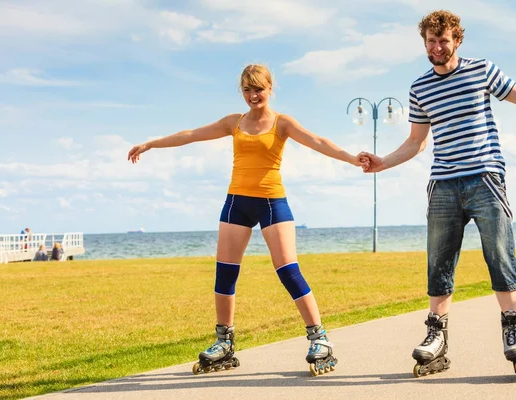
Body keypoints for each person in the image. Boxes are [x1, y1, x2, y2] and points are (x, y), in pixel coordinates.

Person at [360, 10, 516, 378]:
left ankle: (511, 326)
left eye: (444, 40)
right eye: (431, 42)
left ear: (457, 40)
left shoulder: (481, 70)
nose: (437, 47)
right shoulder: (419, 88)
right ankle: (436, 337)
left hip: (484, 178)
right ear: (425, 45)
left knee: (499, 254)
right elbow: (417, 142)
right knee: (439, 261)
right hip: (443, 184)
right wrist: (382, 162)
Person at [127, 64, 366, 376]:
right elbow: (191, 135)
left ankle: (319, 338)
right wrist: (150, 143)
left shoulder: (282, 123)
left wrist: (351, 158)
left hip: (271, 202)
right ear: (242, 91)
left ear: (270, 88)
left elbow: (318, 142)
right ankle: (224, 341)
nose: (254, 95)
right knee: (224, 273)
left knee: (288, 271)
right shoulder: (234, 122)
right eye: (247, 90)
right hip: (236, 203)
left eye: (259, 89)